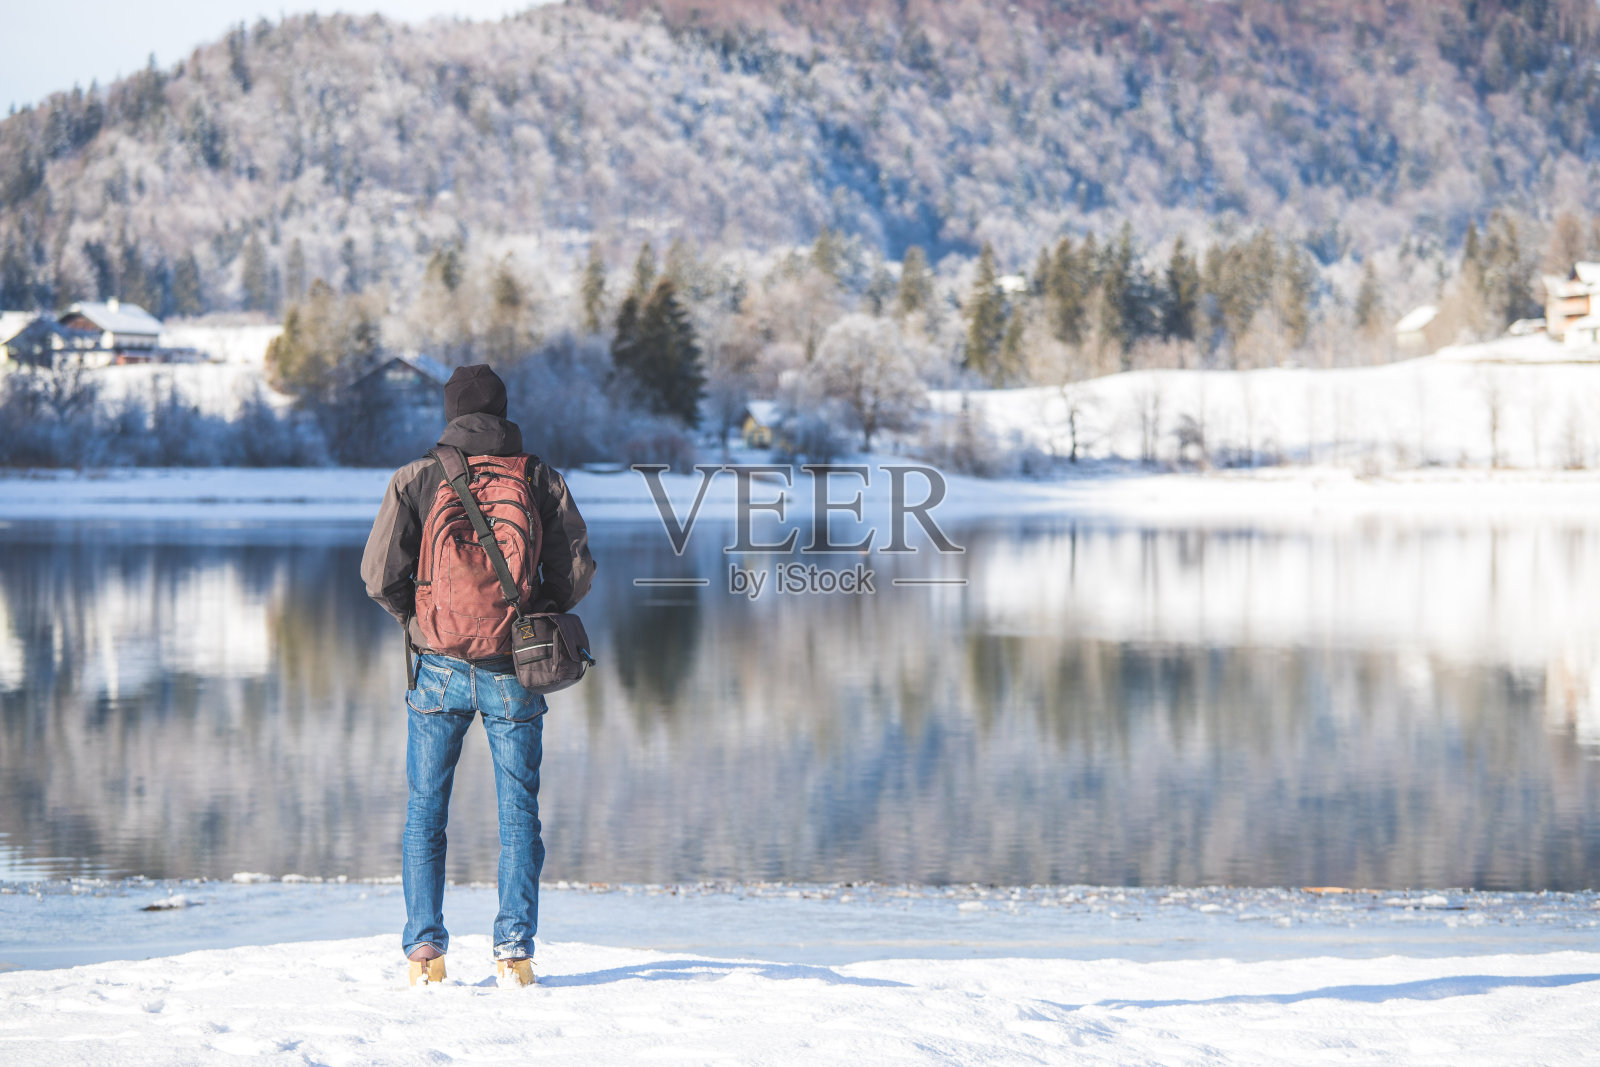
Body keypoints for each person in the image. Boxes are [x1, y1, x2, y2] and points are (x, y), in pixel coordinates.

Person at [361, 363, 595, 988]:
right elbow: (576, 571)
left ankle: (424, 955)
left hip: (436, 665)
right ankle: (514, 953)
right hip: (514, 667)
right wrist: (530, 613)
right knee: (518, 812)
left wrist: (421, 619)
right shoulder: (539, 476)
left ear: (450, 412)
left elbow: (377, 574)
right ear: (503, 408)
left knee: (424, 812)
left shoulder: (416, 476)